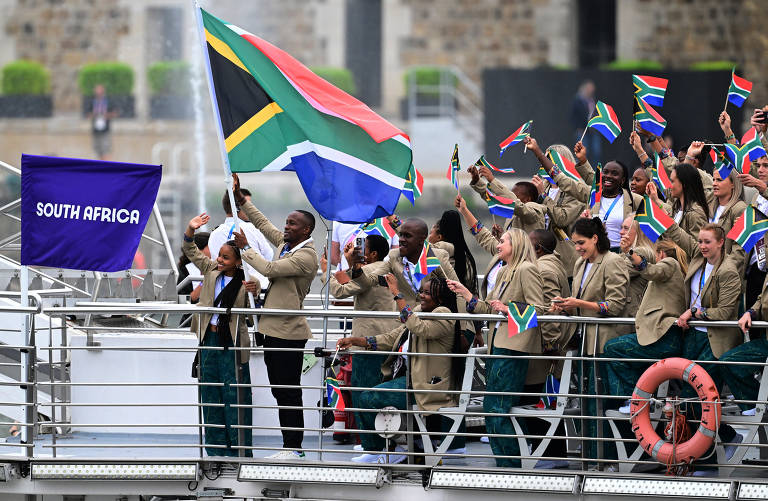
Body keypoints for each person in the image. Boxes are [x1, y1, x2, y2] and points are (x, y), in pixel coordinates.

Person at [231, 174, 318, 460]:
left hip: (288, 332)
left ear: (306, 230)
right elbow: (264, 224)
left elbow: (269, 269)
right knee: (281, 390)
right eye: (288, 222)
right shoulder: (289, 244)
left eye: (293, 224)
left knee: (289, 391)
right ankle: (289, 446)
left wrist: (245, 248)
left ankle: (294, 448)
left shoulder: (306, 255)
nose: (286, 226)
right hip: (273, 329)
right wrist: (242, 200)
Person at [337, 275, 464, 464]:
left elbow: (420, 328)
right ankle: (406, 445)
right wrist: (356, 341)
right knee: (369, 395)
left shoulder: (445, 315)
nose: (421, 295)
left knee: (368, 398)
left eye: (427, 293)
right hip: (409, 380)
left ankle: (389, 448)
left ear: (441, 297)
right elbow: (390, 338)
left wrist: (397, 293)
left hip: (426, 387)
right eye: (421, 291)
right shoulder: (420, 311)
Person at [448, 228, 544, 468]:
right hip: (498, 345)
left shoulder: (527, 269)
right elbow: (490, 308)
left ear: (517, 244)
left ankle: (510, 462)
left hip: (514, 347)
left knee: (497, 406)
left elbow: (539, 310)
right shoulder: (503, 271)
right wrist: (467, 295)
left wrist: (507, 308)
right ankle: (504, 460)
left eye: (502, 241)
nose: (498, 245)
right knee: (493, 407)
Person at [550, 217, 629, 465]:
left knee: (603, 401)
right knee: (587, 402)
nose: (578, 248)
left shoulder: (613, 261)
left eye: (581, 243)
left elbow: (615, 306)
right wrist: (563, 307)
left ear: (595, 238)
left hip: (604, 343)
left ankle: (609, 457)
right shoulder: (580, 264)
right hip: (584, 343)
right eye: (574, 244)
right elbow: (578, 304)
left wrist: (578, 304)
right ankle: (592, 456)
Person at [184, 213, 259, 457]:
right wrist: (190, 230)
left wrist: (255, 291)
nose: (219, 260)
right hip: (209, 339)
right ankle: (216, 450)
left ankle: (240, 449)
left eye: (226, 257)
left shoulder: (247, 281)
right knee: (211, 391)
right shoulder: (211, 271)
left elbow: (251, 313)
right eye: (219, 255)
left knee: (236, 393)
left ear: (238, 262)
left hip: (233, 342)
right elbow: (190, 251)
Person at [321, 234, 398, 435]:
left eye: (362, 250)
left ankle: (368, 442)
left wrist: (325, 271)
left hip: (367, 340)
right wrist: (349, 263)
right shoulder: (384, 267)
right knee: (379, 388)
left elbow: (339, 291)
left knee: (362, 388)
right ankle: (380, 437)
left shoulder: (369, 270)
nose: (358, 253)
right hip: (387, 336)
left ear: (373, 254)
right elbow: (350, 281)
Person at [603, 239, 688, 413]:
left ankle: (633, 400)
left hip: (663, 337)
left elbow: (654, 271)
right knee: (625, 354)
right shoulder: (673, 271)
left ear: (661, 254)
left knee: (612, 348)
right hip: (663, 337)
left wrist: (637, 259)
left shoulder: (670, 263)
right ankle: (637, 398)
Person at [528, 139, 588, 275]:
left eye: (549, 161)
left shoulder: (575, 189)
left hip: (564, 258)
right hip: (540, 255)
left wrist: (543, 197)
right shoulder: (545, 185)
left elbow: (562, 219)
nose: (545, 165)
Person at [209, 192, 274, 289]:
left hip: (225, 289)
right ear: (237, 209)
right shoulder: (252, 228)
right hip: (255, 289)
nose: (252, 210)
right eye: (248, 206)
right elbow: (269, 256)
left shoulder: (214, 234)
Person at [468, 162, 545, 234]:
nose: (509, 197)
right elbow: (493, 198)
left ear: (527, 199)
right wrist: (477, 180)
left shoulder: (536, 211)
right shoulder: (513, 214)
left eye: (515, 195)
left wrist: (492, 180)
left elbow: (515, 204)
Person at [647, 161, 709, 238]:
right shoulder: (677, 207)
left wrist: (657, 201)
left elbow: (696, 247)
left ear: (684, 184)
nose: (669, 186)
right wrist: (655, 200)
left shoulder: (696, 214)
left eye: (672, 181)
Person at [738, 154, 768, 308]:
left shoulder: (761, 190)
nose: (761, 170)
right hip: (755, 267)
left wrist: (764, 189)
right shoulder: (756, 196)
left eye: (766, 166)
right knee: (752, 323)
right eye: (758, 165)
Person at [617, 215, 655, 335]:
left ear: (638, 231)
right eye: (621, 227)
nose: (621, 232)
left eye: (626, 228)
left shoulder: (642, 252)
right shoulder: (629, 251)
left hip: (633, 315)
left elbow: (617, 273)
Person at [429, 209, 478, 295]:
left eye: (430, 233)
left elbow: (419, 245)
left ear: (439, 237)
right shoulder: (465, 255)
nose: (428, 238)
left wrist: (398, 224)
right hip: (463, 300)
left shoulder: (440, 249)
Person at [570, 80, 601, 165]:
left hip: (593, 130)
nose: (591, 90)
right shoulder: (578, 100)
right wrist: (577, 127)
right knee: (581, 152)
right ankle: (579, 171)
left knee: (596, 152)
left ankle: (595, 171)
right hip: (582, 130)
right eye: (589, 88)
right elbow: (573, 116)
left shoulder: (592, 100)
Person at [177, 231, 210, 303]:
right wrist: (204, 282)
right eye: (211, 246)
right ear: (199, 250)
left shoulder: (219, 267)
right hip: (193, 312)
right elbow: (184, 301)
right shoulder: (184, 270)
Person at [88, 84, 117, 160]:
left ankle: (105, 164)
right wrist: (94, 114)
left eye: (99, 90)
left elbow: (115, 113)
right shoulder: (92, 101)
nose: (98, 92)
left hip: (105, 129)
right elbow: (88, 113)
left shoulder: (109, 101)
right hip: (96, 129)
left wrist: (106, 115)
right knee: (97, 149)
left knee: (106, 149)